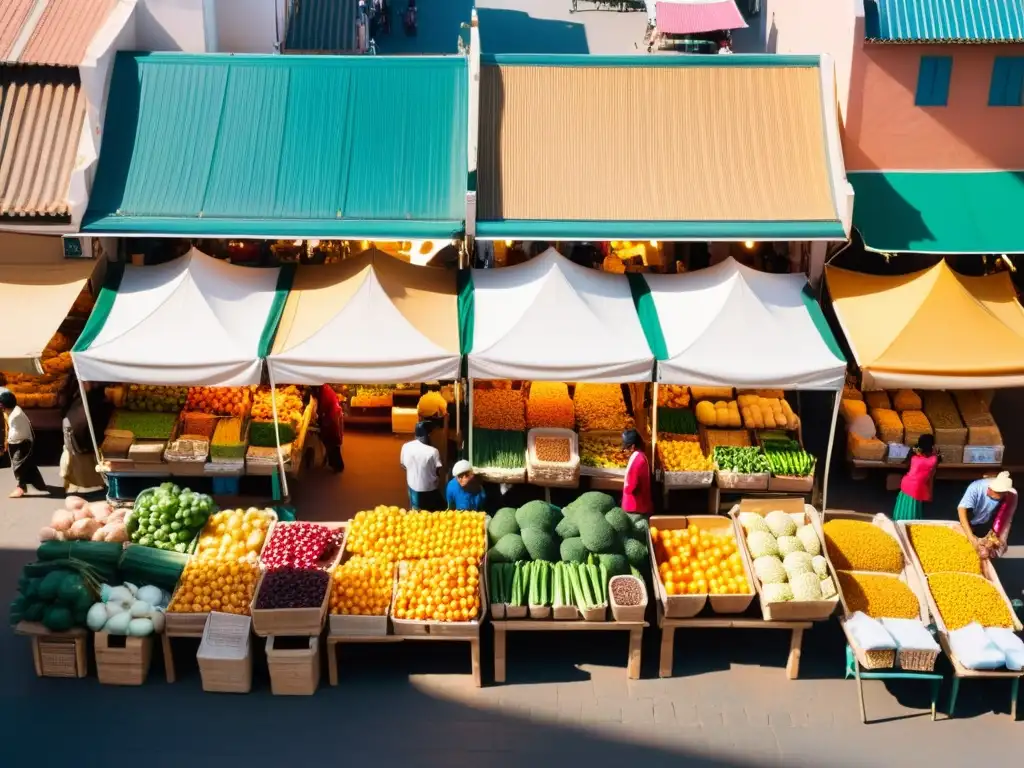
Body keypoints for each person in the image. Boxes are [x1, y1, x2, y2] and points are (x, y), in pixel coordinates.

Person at [957, 471, 1016, 559]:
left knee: (988, 548)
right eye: (989, 489)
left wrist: (994, 539)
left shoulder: (1010, 497)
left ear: (1004, 494)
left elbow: (1004, 520)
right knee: (963, 543)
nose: (988, 491)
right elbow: (961, 510)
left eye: (993, 496)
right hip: (971, 519)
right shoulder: (975, 487)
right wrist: (971, 538)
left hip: (986, 521)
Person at [1, 389, 46, 498]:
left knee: (19, 465)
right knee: (28, 464)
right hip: (22, 441)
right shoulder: (14, 411)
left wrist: (7, 443)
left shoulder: (15, 416)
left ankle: (21, 487)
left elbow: (15, 434)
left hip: (22, 443)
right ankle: (39, 484)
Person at [893, 435, 939, 521]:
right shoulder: (934, 459)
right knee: (913, 510)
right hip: (917, 486)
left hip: (906, 482)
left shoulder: (914, 455)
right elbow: (931, 476)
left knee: (903, 506)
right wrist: (930, 493)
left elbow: (907, 462)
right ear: (932, 446)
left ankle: (898, 521)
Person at [400, 422, 442, 510]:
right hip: (429, 489)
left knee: (415, 510)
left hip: (411, 486)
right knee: (430, 515)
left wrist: (414, 472)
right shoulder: (433, 451)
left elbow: (403, 465)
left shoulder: (406, 446)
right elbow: (438, 470)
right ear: (428, 435)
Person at [621, 429, 653, 514]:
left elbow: (630, 486)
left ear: (632, 447)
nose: (624, 451)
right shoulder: (641, 455)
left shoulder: (637, 459)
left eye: (625, 448)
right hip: (640, 505)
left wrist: (626, 491)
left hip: (635, 507)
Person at [318, 384, 344, 473]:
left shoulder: (324, 391)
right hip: (333, 417)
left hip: (331, 418)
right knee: (333, 443)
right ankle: (335, 464)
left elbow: (324, 406)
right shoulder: (326, 389)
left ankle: (337, 465)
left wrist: (319, 416)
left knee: (331, 442)